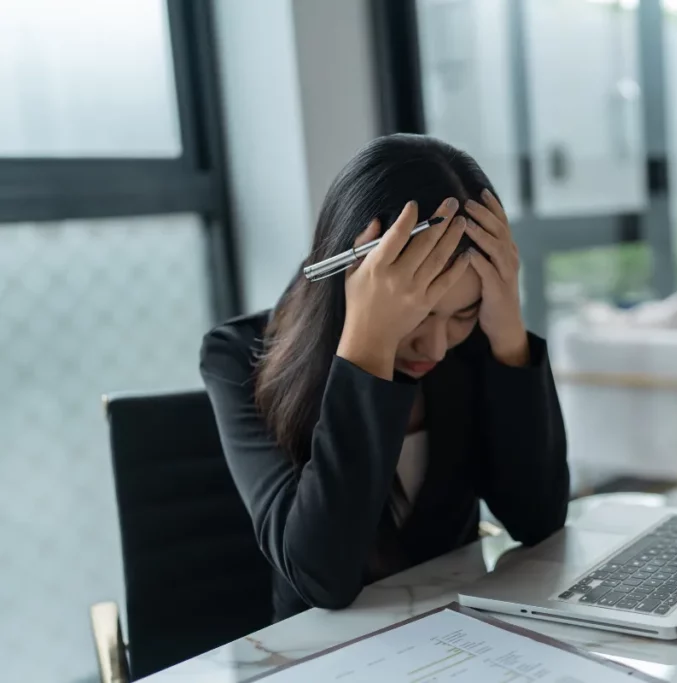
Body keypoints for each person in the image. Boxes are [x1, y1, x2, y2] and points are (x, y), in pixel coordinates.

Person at [199, 134, 569, 621]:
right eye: (419, 315)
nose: (436, 347)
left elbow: (539, 520)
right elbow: (322, 578)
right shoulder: (237, 356)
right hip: (325, 649)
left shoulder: (475, 342)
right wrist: (367, 343)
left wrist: (507, 333)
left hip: (463, 632)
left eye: (463, 314)